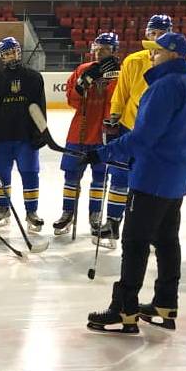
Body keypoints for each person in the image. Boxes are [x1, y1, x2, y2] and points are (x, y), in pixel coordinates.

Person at [85, 33, 186, 335]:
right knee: (167, 240)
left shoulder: (163, 87)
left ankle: (124, 310)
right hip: (177, 175)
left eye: (156, 51)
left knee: (135, 241)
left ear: (172, 55)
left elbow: (142, 138)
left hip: (152, 175)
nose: (152, 56)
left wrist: (103, 152)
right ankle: (166, 303)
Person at [103, 14, 186, 249]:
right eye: (152, 33)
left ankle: (150, 229)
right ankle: (112, 221)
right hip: (130, 125)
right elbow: (122, 93)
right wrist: (114, 117)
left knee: (148, 181)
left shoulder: (183, 64)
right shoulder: (133, 60)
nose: (155, 38)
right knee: (120, 176)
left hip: (160, 135)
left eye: (161, 34)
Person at [0, 36, 54, 231]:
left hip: (26, 138)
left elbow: (40, 108)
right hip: (0, 139)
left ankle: (31, 211)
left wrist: (41, 133)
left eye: (13, 51)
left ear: (19, 52)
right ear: (1, 56)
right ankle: (3, 208)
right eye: (6, 53)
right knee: (1, 175)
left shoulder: (33, 78)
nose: (11, 56)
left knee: (30, 173)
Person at [59, 32, 121, 239]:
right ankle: (68, 212)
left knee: (100, 177)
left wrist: (109, 79)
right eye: (96, 49)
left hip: (103, 134)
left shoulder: (120, 74)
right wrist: (82, 84)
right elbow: (72, 100)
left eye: (104, 49)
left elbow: (116, 103)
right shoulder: (83, 69)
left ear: (114, 51)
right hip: (79, 131)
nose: (98, 53)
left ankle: (95, 215)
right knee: (71, 175)